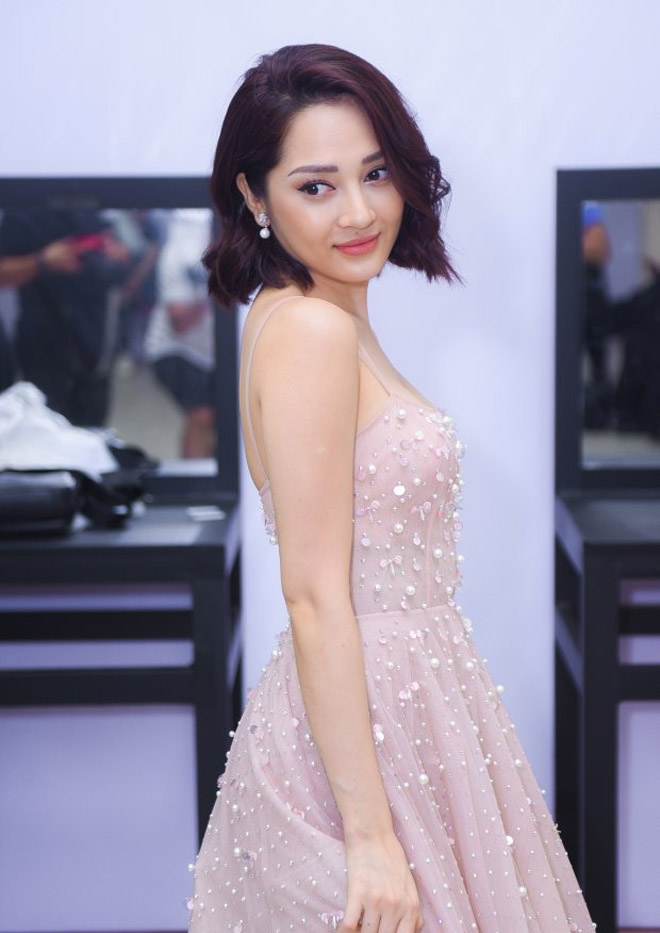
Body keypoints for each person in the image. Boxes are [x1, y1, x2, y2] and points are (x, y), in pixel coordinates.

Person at [189, 45, 595, 933]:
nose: (360, 211)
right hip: (369, 732)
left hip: (404, 710)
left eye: (375, 173)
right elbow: (312, 594)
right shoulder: (311, 332)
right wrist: (372, 837)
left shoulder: (304, 313)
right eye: (316, 186)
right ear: (254, 196)